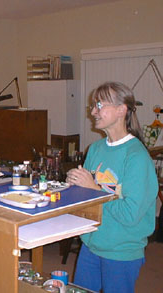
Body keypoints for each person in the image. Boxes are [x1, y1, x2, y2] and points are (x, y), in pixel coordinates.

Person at [66, 82, 158, 292]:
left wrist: (95, 190)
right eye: (92, 105)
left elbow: (130, 214)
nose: (92, 111)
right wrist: (75, 185)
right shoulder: (96, 149)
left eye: (99, 105)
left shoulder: (137, 157)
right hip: (90, 245)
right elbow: (84, 199)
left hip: (121, 251)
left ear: (121, 110)